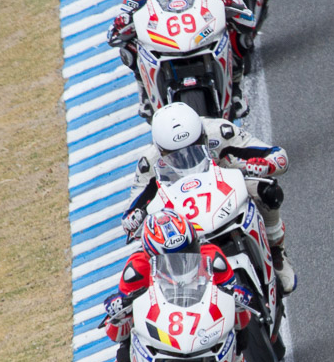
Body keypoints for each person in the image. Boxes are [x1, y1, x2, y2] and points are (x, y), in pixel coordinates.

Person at [120, 101, 297, 295]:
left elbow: (279, 156)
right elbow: (131, 213)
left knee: (267, 189)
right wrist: (134, 217)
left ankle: (276, 249)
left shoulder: (220, 132)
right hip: (183, 213)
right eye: (174, 155)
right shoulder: (149, 162)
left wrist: (265, 165)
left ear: (202, 136)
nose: (186, 157)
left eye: (194, 146)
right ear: (160, 150)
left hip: (224, 187)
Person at [103, 209, 252, 362]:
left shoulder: (213, 258)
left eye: (188, 250)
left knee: (237, 326)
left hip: (201, 315)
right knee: (127, 334)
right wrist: (119, 311)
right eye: (172, 257)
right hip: (159, 318)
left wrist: (238, 297)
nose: (181, 262)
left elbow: (236, 301)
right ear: (151, 255)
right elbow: (114, 330)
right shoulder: (136, 269)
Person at [106, 0, 256, 119]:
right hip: (167, 30)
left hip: (201, 25)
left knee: (241, 35)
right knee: (127, 49)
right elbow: (118, 24)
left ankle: (235, 87)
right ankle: (144, 92)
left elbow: (246, 16)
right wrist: (122, 23)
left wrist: (229, 3)